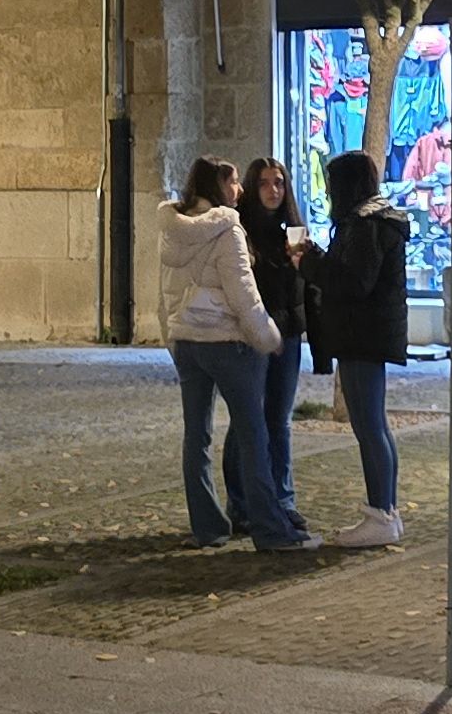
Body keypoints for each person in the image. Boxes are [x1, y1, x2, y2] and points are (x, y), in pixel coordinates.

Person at [158, 159, 315, 552]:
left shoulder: (172, 230)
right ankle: (268, 527)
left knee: (197, 434)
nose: (240, 191)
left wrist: (172, 338)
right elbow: (243, 295)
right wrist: (269, 337)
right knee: (253, 432)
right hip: (226, 342)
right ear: (220, 185)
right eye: (234, 182)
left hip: (187, 341)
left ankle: (208, 526)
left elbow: (164, 292)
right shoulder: (228, 228)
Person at [309, 150, 413, 549]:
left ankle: (381, 512)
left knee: (369, 426)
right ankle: (386, 510)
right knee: (375, 425)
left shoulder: (365, 225)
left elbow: (353, 282)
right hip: (369, 333)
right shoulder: (376, 221)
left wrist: (313, 262)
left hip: (361, 334)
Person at [238, 158, 314, 525]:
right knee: (248, 420)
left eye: (279, 183)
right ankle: (242, 503)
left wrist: (305, 261)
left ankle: (283, 499)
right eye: (266, 183)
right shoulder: (241, 232)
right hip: (254, 334)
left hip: (288, 335)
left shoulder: (293, 233)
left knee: (279, 419)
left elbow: (300, 291)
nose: (273, 190)